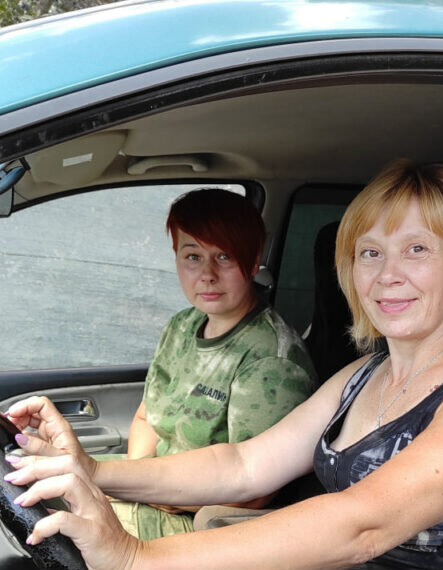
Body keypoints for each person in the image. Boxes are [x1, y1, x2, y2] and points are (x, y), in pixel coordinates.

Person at [5, 160, 443, 570]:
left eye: (416, 249)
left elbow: (363, 525)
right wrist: (95, 471)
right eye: (370, 252)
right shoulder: (363, 375)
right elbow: (243, 465)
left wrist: (136, 559)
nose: (387, 275)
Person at [112, 188, 317, 540]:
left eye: (224, 256)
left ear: (252, 262)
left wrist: (156, 492)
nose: (206, 274)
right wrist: (138, 478)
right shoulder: (182, 326)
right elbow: (147, 418)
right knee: (42, 482)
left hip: (203, 523)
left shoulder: (270, 360)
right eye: (192, 256)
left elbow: (253, 492)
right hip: (154, 491)